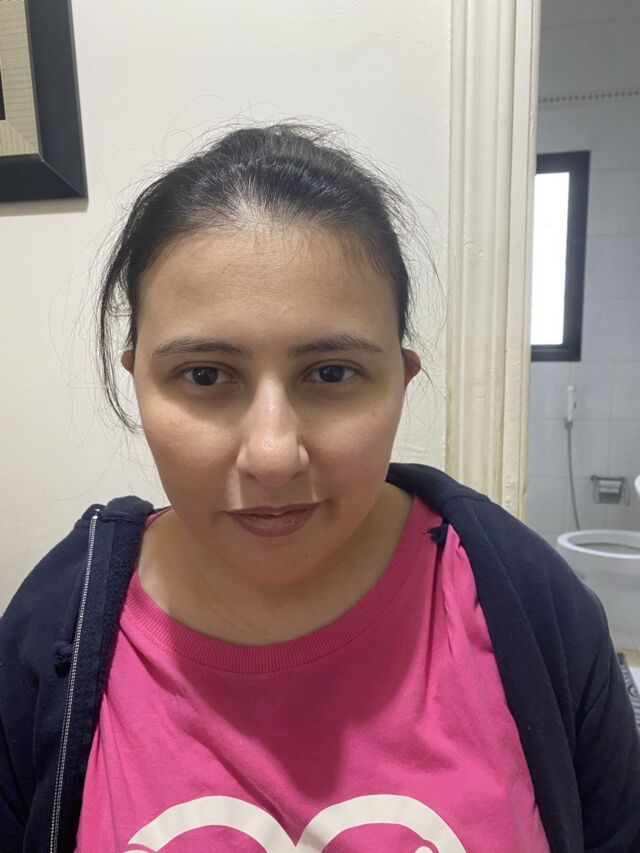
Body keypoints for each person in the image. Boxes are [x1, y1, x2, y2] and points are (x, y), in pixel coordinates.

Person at [1, 121, 638, 853]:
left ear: (401, 381)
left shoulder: (531, 605)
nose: (273, 456)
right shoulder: (52, 635)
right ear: (138, 380)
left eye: (331, 372)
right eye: (205, 375)